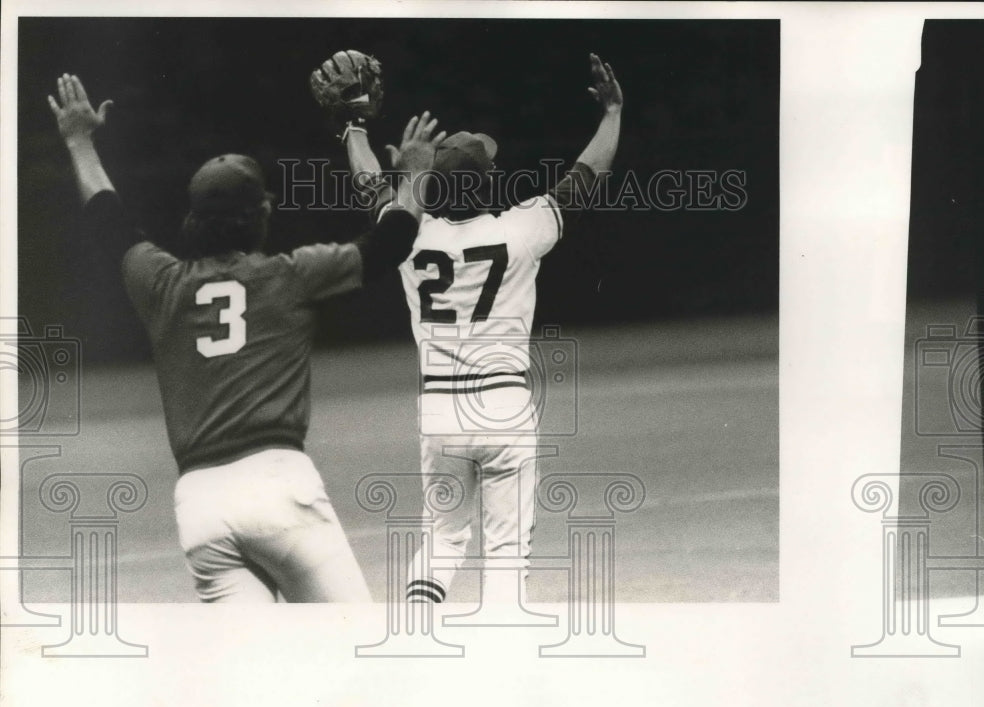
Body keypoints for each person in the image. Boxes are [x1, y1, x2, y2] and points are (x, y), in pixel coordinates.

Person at [48, 73, 444, 602]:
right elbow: (392, 241)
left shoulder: (159, 282)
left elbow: (108, 218)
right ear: (262, 213)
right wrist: (415, 173)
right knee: (353, 649)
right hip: (279, 487)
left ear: (192, 221)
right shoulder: (290, 274)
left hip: (200, 506)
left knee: (245, 671)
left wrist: (78, 140)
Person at [342, 54, 623, 607]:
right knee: (507, 550)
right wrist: (612, 112)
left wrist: (352, 126)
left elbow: (369, 182)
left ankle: (418, 634)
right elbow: (588, 175)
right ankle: (502, 653)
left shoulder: (409, 241)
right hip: (504, 407)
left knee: (443, 541)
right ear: (489, 182)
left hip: (440, 413)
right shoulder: (523, 230)